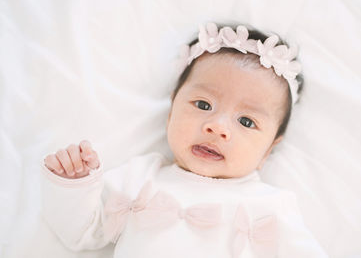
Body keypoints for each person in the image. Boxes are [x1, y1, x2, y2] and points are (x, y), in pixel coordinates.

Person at [42, 22, 329, 257]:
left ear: (269, 149)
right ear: (171, 112)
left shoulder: (270, 207)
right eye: (203, 105)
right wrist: (74, 185)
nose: (217, 127)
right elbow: (80, 233)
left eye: (246, 121)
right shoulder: (141, 177)